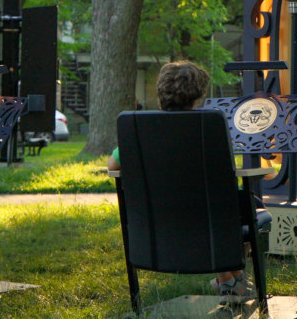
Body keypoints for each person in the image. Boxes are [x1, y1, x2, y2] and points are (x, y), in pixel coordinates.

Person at [107, 60, 257, 303]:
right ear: (196, 97)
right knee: (248, 208)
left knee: (220, 212)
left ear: (160, 92)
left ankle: (230, 282)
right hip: (211, 217)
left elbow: (112, 167)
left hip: (160, 218)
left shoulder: (139, 129)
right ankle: (231, 281)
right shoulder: (208, 128)